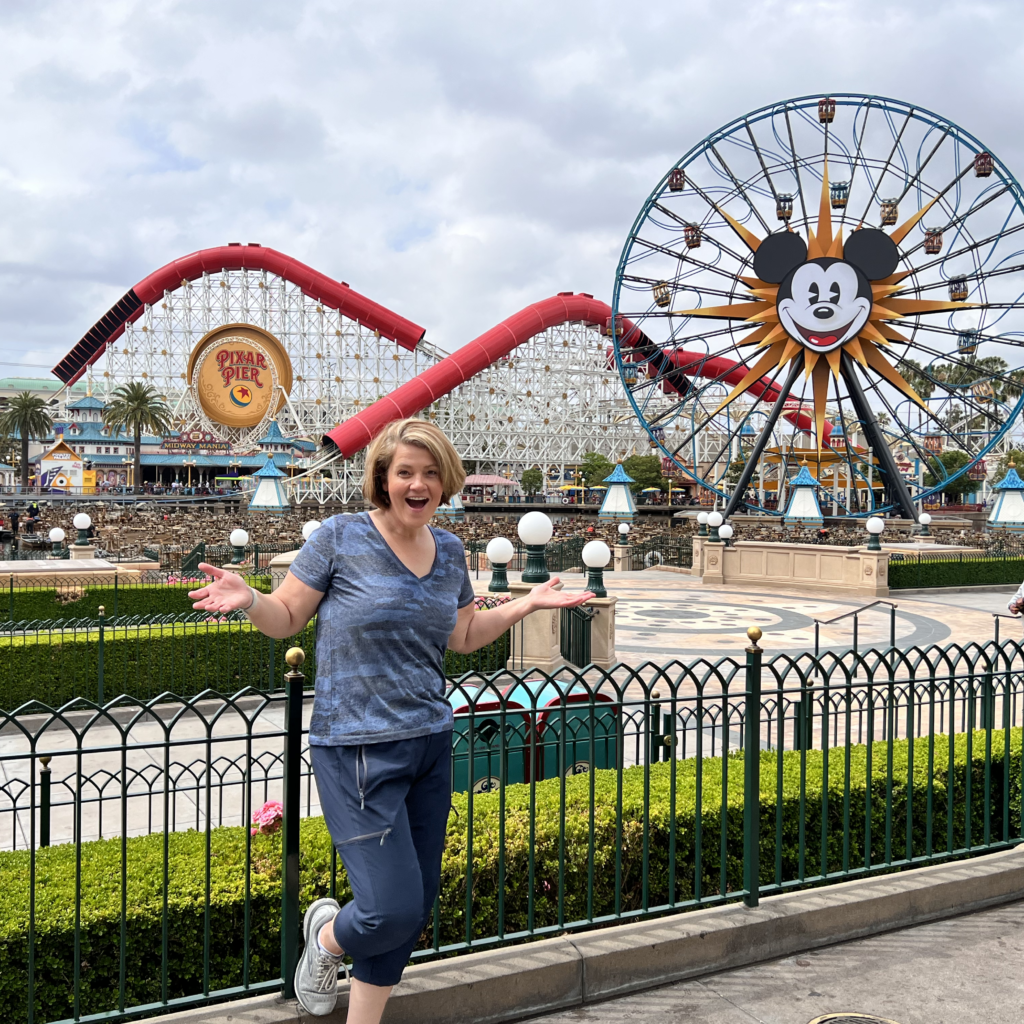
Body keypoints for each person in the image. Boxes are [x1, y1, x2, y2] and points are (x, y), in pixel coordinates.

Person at [186, 419, 592, 1020]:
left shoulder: (450, 549)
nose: (418, 483)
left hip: (429, 739)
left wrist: (523, 604)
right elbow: (288, 617)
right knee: (388, 908)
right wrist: (251, 599)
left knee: (415, 905)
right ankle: (326, 937)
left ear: (446, 481)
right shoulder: (339, 537)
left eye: (430, 473)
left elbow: (462, 634)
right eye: (405, 471)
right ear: (383, 476)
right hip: (355, 747)